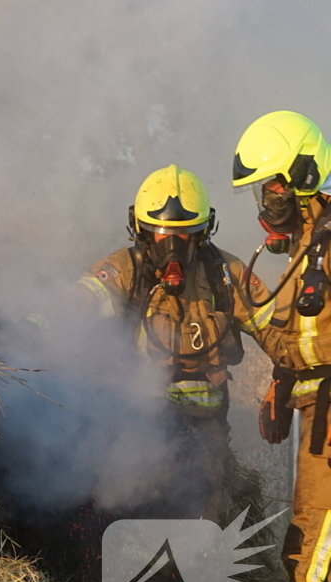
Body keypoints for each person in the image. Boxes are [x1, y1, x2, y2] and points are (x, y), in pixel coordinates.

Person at [76, 164, 279, 519]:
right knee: (128, 509)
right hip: (135, 423)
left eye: (184, 234)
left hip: (205, 430)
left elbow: (278, 328)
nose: (172, 246)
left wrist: (286, 376)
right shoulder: (126, 270)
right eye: (161, 233)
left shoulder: (226, 275)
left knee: (200, 518)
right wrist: (31, 326)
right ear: (140, 230)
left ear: (203, 233)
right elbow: (81, 298)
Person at [233, 111, 331, 582]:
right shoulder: (303, 252)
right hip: (315, 410)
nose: (267, 201)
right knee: (308, 541)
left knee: (313, 547)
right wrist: (281, 381)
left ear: (301, 174)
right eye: (262, 190)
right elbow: (302, 344)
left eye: (272, 186)